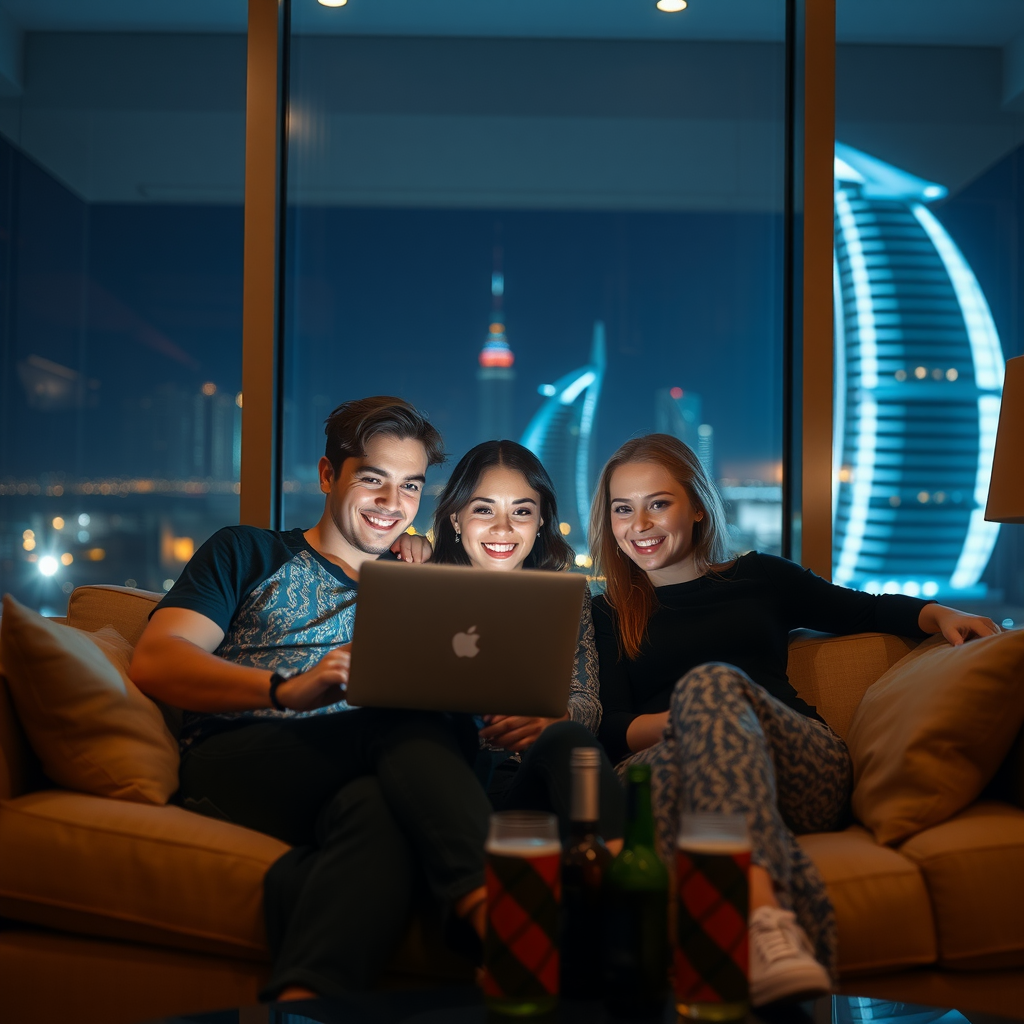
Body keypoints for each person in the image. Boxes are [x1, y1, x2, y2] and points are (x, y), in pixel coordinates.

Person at [588, 433, 998, 1007]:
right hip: (668, 769)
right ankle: (759, 952)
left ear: (698, 505)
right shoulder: (604, 611)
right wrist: (703, 721)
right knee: (705, 707)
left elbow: (864, 608)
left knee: (714, 683)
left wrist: (937, 613)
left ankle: (759, 912)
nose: (641, 522)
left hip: (800, 765)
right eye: (622, 508)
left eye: (658, 502)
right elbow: (612, 726)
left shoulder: (760, 576)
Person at [129, 396, 493, 1000]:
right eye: (373, 480)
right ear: (329, 476)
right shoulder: (248, 551)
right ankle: (501, 925)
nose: (391, 505)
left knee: (377, 804)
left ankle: (303, 1002)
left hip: (369, 767)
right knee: (395, 722)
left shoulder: (418, 588)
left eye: (410, 487)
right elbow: (157, 659)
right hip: (241, 754)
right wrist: (285, 692)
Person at [430, 440, 623, 843]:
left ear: (540, 523)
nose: (503, 528)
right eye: (484, 509)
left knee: (569, 740)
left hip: (521, 778)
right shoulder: (416, 585)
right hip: (436, 777)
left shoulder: (566, 597)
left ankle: (616, 875)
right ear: (455, 519)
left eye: (521, 511)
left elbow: (587, 702)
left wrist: (552, 722)